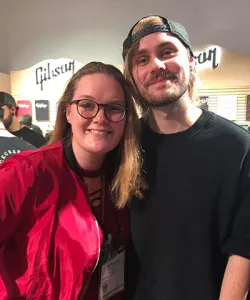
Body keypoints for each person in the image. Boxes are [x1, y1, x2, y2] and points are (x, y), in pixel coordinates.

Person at [122, 15, 250, 300]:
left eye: (167, 52)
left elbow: (244, 248)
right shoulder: (124, 147)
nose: (156, 65)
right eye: (142, 60)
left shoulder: (238, 147)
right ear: (132, 77)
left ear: (191, 61)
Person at [0, 62, 145, 300]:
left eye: (114, 108)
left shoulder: (124, 180)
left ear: (126, 118)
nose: (101, 118)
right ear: (68, 112)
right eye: (87, 105)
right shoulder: (26, 173)